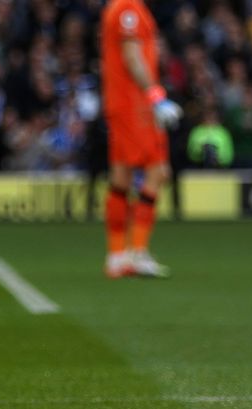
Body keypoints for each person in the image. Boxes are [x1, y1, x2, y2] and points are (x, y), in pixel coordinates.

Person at [100, 0, 182, 279]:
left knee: (121, 177)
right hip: (134, 105)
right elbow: (131, 56)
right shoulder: (128, 9)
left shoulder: (120, 7)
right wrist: (155, 96)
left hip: (122, 103)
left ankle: (117, 256)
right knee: (158, 171)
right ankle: (137, 251)